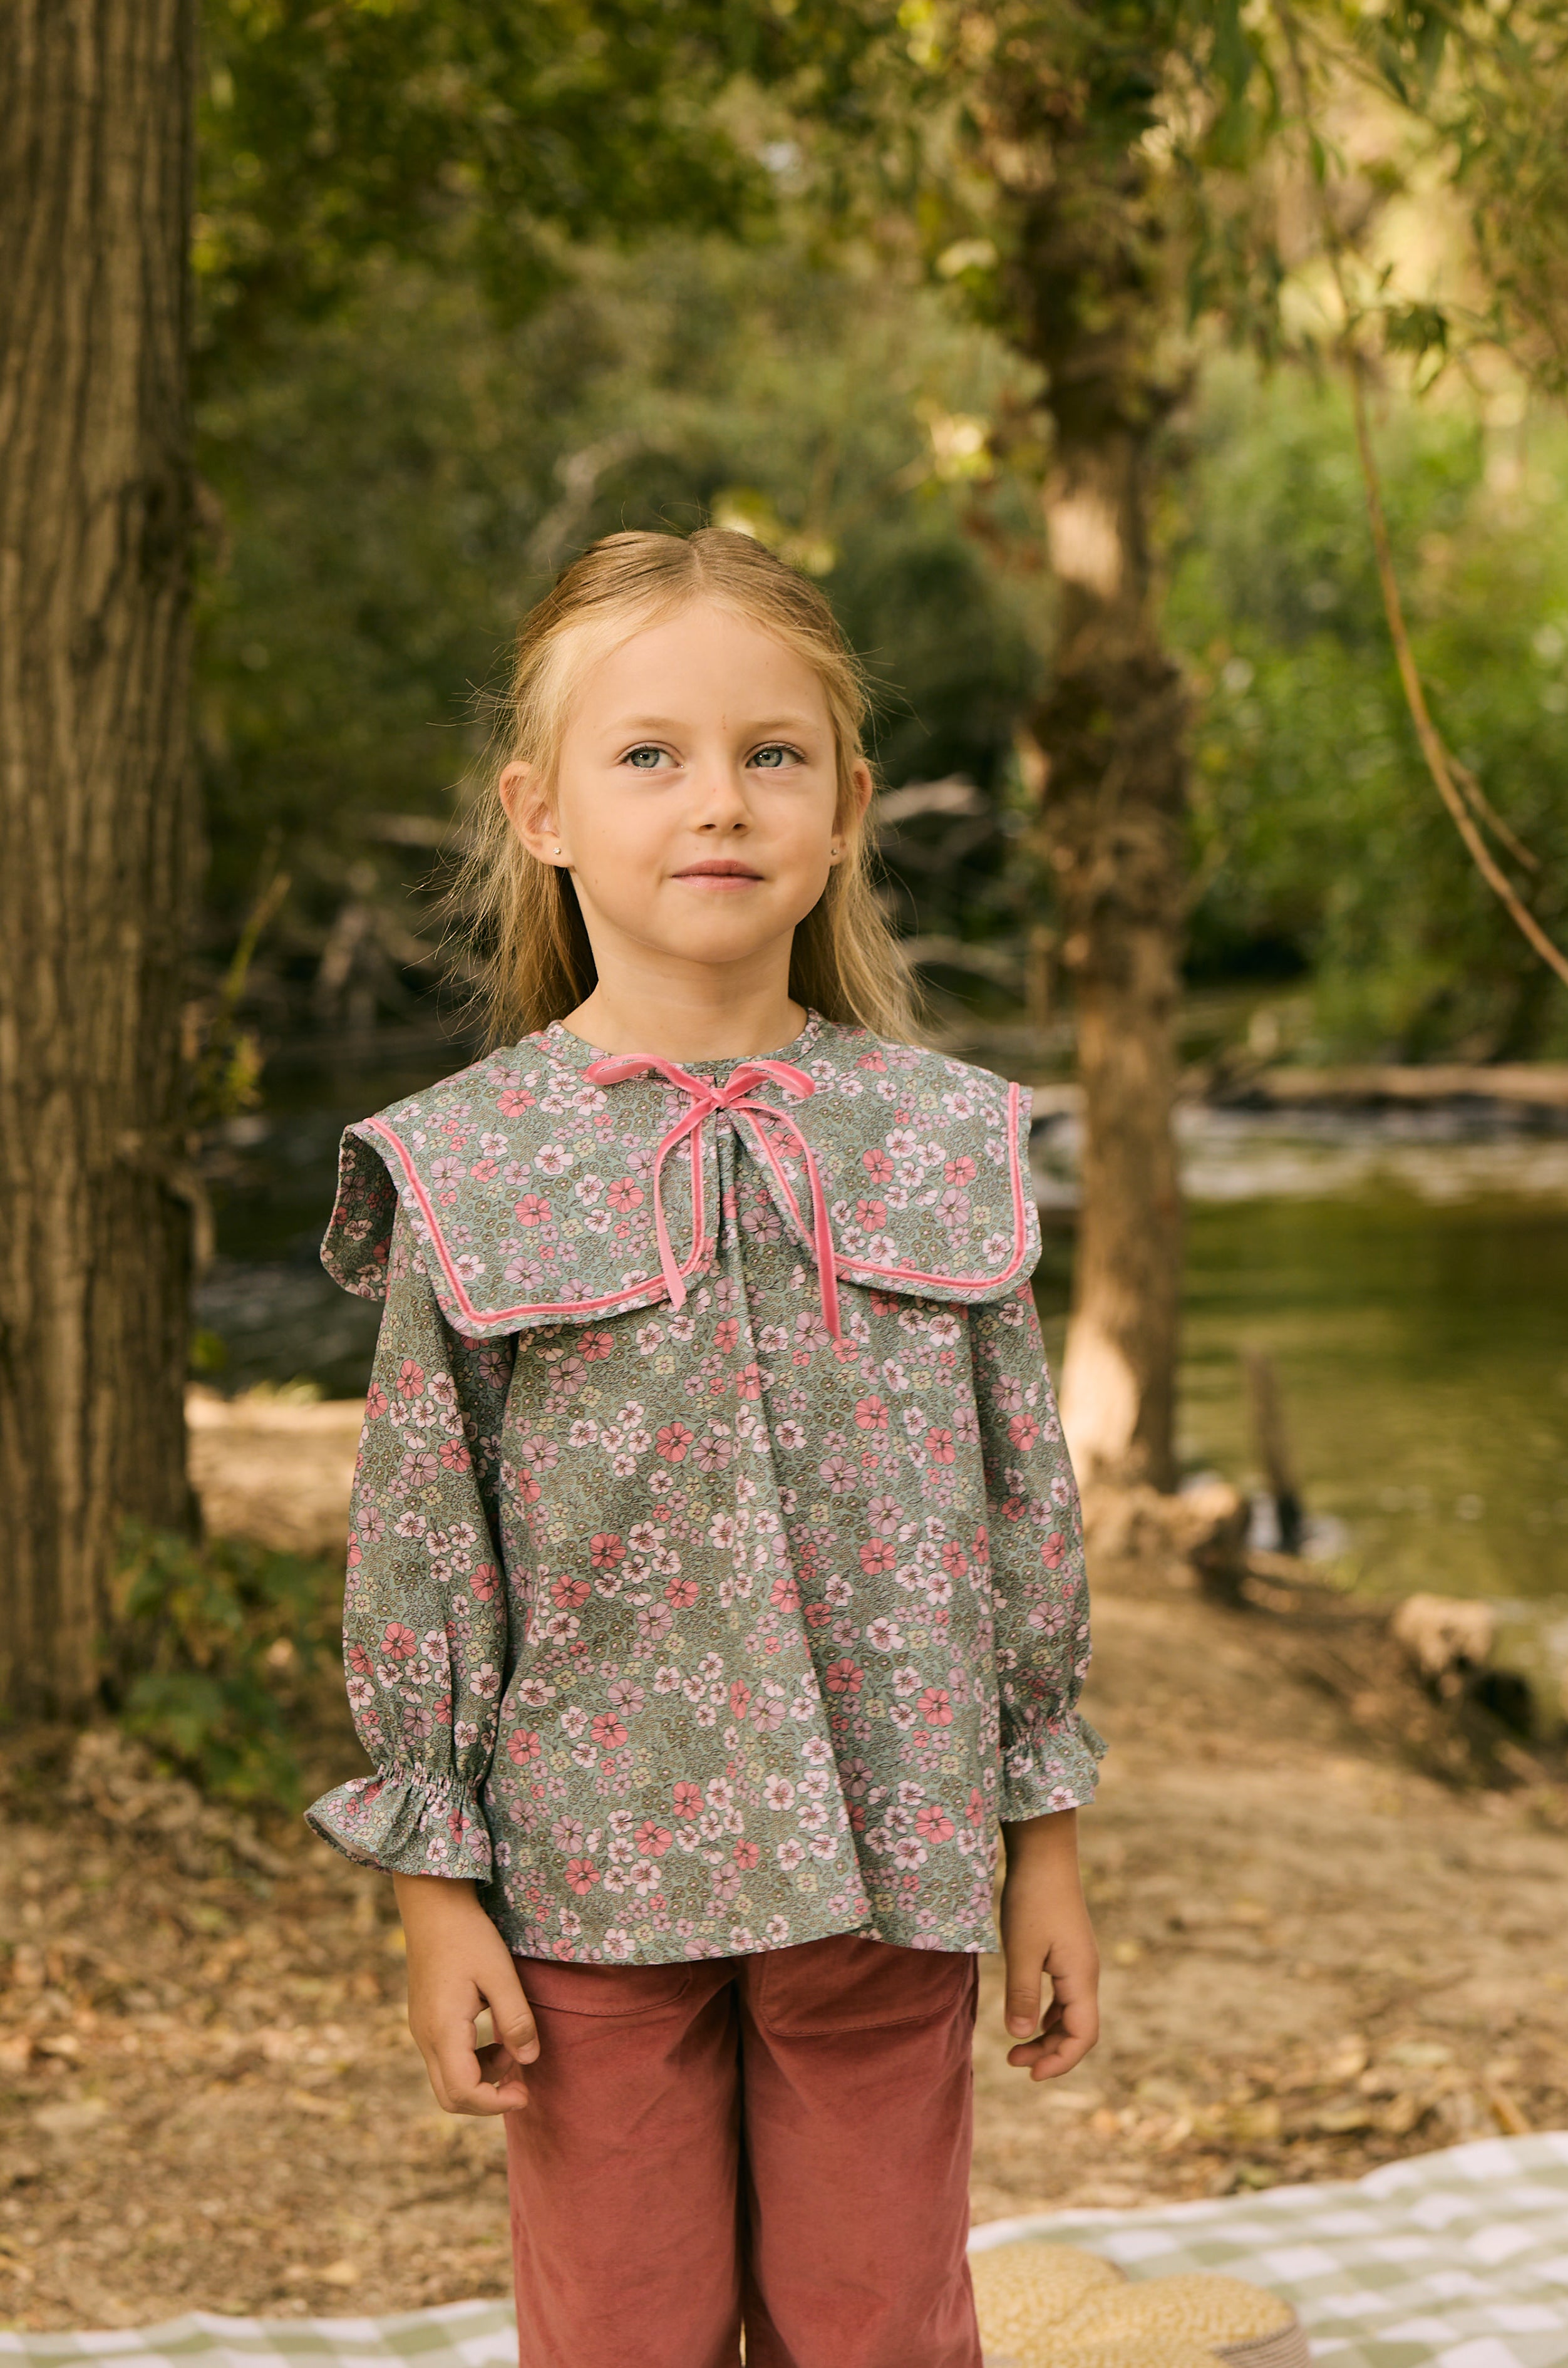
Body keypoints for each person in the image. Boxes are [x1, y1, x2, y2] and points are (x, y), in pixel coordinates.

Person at [306, 527, 1105, 2368]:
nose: (719, 800)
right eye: (650, 754)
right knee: (621, 2329)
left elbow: (1021, 1512)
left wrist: (1044, 1843)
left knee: (881, 2321)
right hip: (591, 1879)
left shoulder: (940, 1136)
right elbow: (424, 1542)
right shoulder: (470, 1162)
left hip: (888, 1863)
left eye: (773, 754)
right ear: (542, 811)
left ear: (847, 808)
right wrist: (435, 1889)